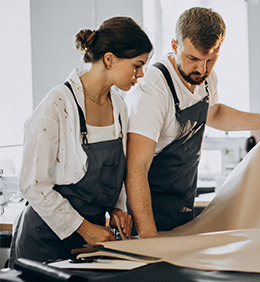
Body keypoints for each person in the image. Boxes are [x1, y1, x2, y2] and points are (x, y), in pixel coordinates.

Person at [125, 7, 260, 238]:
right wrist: (148, 236)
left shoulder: (206, 79)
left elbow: (214, 114)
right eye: (193, 59)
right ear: (175, 47)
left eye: (211, 60)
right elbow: (136, 168)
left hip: (181, 208)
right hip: (146, 214)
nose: (201, 69)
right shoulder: (153, 89)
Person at [9, 16, 153, 267]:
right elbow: (32, 184)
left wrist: (118, 209)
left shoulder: (119, 106)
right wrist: (84, 227)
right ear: (110, 59)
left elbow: (114, 170)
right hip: (45, 239)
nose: (140, 75)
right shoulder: (56, 105)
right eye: (137, 65)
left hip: (90, 240)